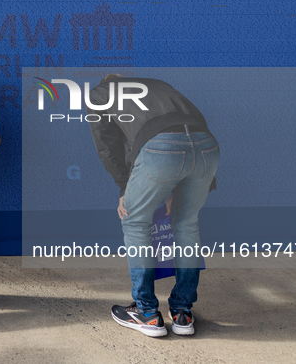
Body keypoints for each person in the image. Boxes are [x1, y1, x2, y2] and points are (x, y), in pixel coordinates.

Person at [87, 74, 219, 337]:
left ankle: (146, 313)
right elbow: (194, 127)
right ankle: (182, 312)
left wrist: (124, 187)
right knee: (186, 224)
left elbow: (107, 145)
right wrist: (186, 184)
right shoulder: (160, 85)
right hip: (206, 148)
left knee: (135, 222)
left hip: (162, 149)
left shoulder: (100, 94)